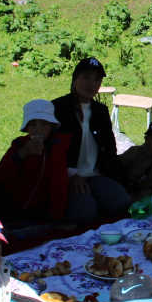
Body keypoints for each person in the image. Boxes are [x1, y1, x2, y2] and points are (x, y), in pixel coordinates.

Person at [52, 57, 131, 225]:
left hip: (96, 174)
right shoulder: (57, 108)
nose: (91, 84)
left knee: (122, 202)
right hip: (67, 175)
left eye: (97, 79)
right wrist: (72, 174)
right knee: (85, 215)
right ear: (75, 79)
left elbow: (110, 148)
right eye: (86, 77)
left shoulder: (101, 111)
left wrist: (118, 178)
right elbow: (51, 150)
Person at [0, 99, 72, 228]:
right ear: (27, 127)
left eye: (44, 124)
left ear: (51, 126)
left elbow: (59, 184)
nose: (38, 130)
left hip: (42, 212)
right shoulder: (18, 145)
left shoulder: (57, 149)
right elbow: (0, 177)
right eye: (33, 125)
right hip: (12, 210)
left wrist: (56, 218)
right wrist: (22, 154)